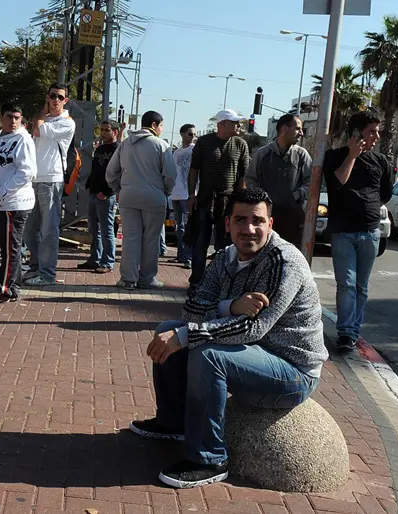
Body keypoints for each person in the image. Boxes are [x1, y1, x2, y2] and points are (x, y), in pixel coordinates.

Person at [130, 188, 327, 489]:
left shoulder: (284, 263)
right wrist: (230, 306)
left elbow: (253, 328)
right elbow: (191, 309)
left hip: (292, 371)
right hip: (252, 353)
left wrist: (185, 336)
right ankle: (173, 423)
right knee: (167, 329)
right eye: (240, 220)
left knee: (207, 354)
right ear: (227, 224)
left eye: (257, 221)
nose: (249, 229)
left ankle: (209, 460)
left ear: (270, 224)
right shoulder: (224, 257)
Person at [323, 111, 394, 351]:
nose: (376, 136)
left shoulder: (381, 162)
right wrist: (353, 156)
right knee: (346, 283)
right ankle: (344, 334)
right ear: (356, 134)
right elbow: (337, 183)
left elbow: (385, 194)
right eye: (371, 131)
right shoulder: (334, 157)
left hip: (370, 232)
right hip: (343, 232)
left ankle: (352, 332)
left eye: (378, 131)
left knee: (361, 286)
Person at [105, 110, 177, 290]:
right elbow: (170, 175)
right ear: (154, 125)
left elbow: (111, 171)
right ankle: (147, 278)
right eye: (161, 126)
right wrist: (165, 191)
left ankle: (128, 279)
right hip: (154, 197)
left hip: (128, 196)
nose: (161, 129)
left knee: (130, 238)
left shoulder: (125, 144)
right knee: (151, 239)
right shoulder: (161, 145)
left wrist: (119, 189)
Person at [0, 103, 37, 305]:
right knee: (8, 247)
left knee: (10, 249)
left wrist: (2, 191)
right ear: (1, 118)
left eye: (17, 117)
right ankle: (12, 287)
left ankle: (3, 289)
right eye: (9, 116)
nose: (13, 121)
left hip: (14, 203)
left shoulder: (23, 139)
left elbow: (27, 172)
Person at [187, 109, 250, 292]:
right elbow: (194, 170)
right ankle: (196, 282)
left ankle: (223, 284)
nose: (238, 126)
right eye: (234, 122)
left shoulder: (240, 145)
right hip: (205, 199)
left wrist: (242, 203)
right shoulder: (204, 142)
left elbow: (243, 176)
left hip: (229, 201)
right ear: (222, 124)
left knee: (227, 245)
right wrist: (192, 195)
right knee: (201, 242)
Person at [23, 83, 76, 286]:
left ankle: (47, 273)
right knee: (30, 228)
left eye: (60, 97)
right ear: (47, 97)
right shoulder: (45, 118)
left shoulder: (66, 122)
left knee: (49, 230)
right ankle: (36, 267)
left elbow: (37, 130)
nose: (55, 100)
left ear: (65, 101)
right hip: (34, 179)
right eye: (52, 96)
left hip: (52, 180)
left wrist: (41, 115)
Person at [246, 114, 312, 247]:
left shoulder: (302, 155)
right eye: (298, 128)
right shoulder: (262, 154)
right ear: (285, 128)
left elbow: (311, 182)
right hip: (267, 216)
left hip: (293, 216)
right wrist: (262, 197)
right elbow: (250, 179)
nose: (301, 133)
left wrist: (296, 195)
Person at [77, 120, 120, 274]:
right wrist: (90, 186)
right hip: (94, 193)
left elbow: (119, 174)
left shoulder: (118, 149)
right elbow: (96, 169)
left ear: (114, 132)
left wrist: (107, 192)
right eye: (101, 130)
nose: (103, 133)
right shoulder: (100, 148)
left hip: (106, 196)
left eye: (106, 130)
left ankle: (108, 262)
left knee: (107, 230)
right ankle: (95, 258)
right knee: (94, 229)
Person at [170, 124, 197, 268]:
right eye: (190, 134)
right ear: (182, 134)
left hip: (188, 195)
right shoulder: (176, 152)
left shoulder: (196, 150)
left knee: (188, 226)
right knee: (179, 227)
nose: (193, 137)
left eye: (194, 134)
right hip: (176, 194)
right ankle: (181, 255)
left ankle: (188, 257)